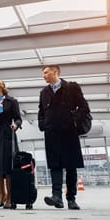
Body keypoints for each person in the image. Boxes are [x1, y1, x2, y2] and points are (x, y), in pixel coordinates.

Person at [38, 65, 89, 210]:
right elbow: (41, 111)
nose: (44, 76)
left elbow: (84, 107)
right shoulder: (44, 92)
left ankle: (71, 199)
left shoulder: (71, 87)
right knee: (55, 165)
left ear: (55, 72)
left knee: (70, 165)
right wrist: (43, 124)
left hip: (68, 132)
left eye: (46, 73)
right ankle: (57, 197)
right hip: (51, 133)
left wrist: (74, 121)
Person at [0, 80, 22, 209]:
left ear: (0, 88)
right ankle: (1, 195)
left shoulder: (12, 101)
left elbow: (18, 118)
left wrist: (16, 125)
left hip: (8, 135)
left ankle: (10, 197)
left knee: (8, 168)